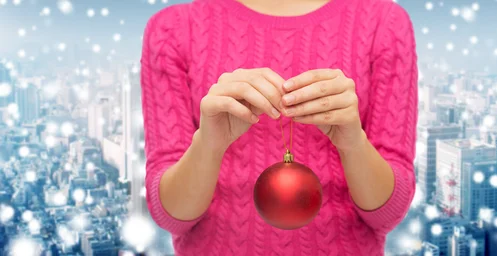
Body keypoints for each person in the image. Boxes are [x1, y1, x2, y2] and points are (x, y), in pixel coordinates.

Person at [140, 0, 417, 255]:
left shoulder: (385, 23)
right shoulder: (171, 30)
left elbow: (388, 214)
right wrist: (209, 145)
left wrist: (353, 143)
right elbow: (171, 216)